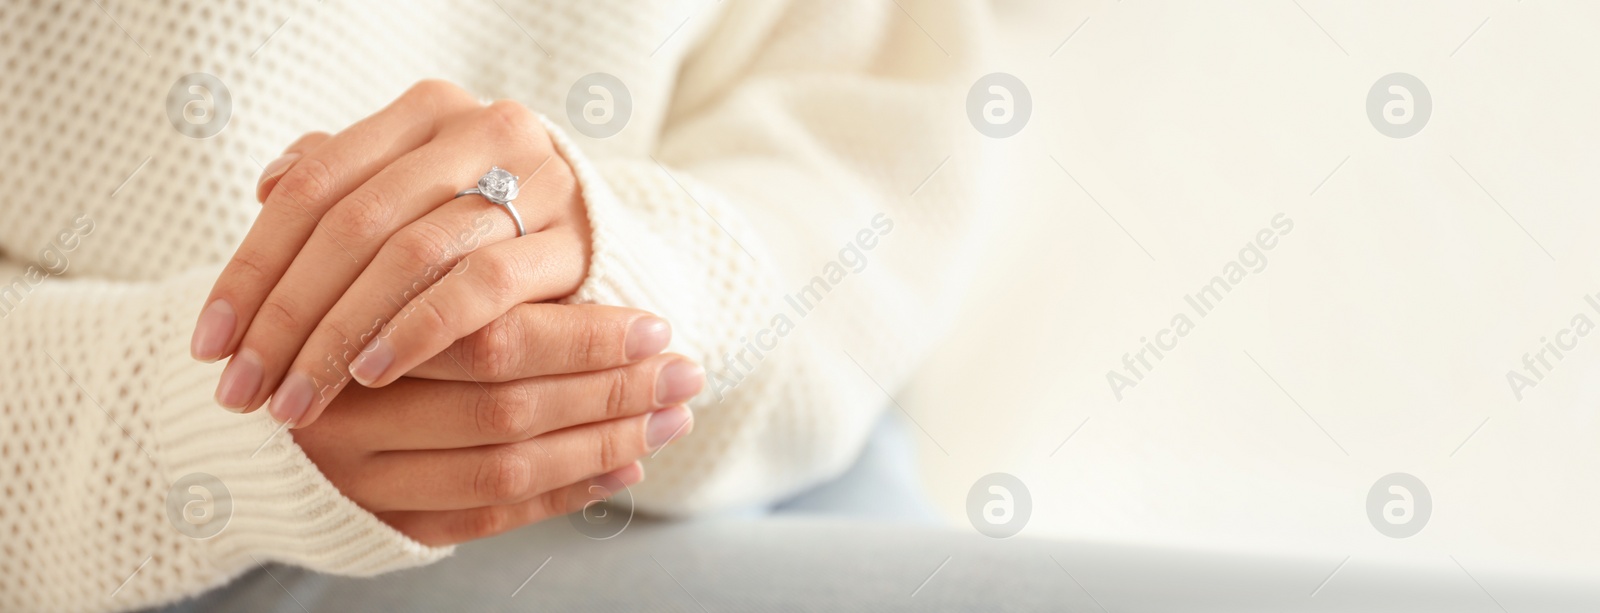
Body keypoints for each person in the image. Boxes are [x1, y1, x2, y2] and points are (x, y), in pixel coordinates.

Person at [0, 0, 993, 610]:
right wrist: (178, 422)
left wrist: (626, 276)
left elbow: (870, 147)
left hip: (768, 416)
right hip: (126, 540)